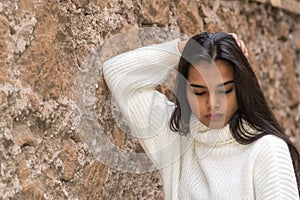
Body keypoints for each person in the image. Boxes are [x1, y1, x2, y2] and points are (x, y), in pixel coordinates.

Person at [103, 32, 300, 199]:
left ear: (240, 90)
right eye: (199, 92)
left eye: (224, 91)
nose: (212, 104)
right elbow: (117, 73)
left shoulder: (267, 149)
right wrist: (183, 48)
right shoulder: (175, 138)